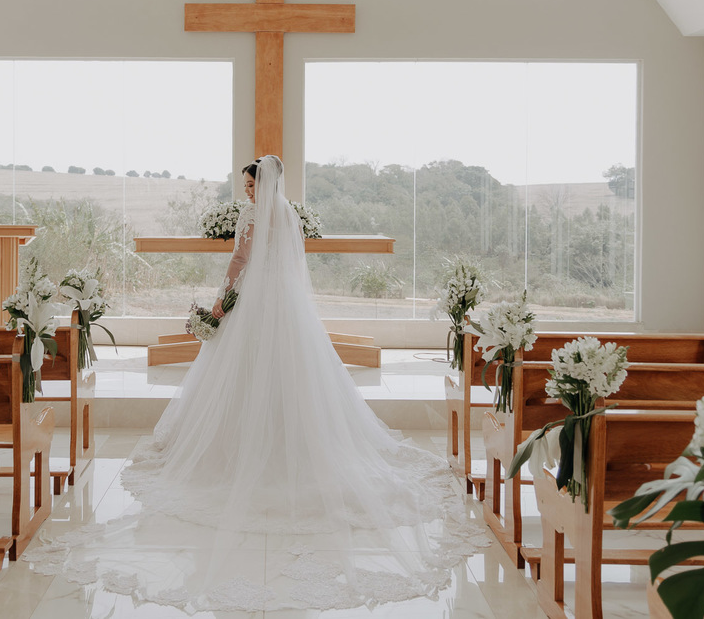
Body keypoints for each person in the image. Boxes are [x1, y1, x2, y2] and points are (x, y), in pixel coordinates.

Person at [24, 155, 487, 612]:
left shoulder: (253, 213)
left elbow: (240, 259)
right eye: (246, 188)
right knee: (293, 378)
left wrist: (221, 304)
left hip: (252, 308)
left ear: (260, 184)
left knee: (242, 376)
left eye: (249, 186)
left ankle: (240, 451)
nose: (247, 193)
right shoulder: (287, 213)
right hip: (286, 309)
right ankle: (292, 446)